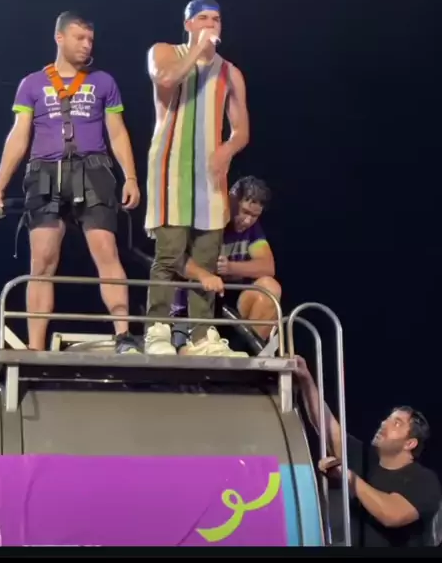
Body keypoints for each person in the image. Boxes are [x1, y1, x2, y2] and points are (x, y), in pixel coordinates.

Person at [0, 11, 141, 354]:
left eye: (90, 40)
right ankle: (35, 346)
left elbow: (117, 132)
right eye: (79, 38)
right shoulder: (31, 84)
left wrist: (130, 176)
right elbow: (18, 136)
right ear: (59, 38)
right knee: (42, 260)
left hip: (94, 170)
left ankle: (123, 336)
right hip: (44, 173)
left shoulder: (103, 82)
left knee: (106, 250)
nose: (86, 45)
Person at [144, 0, 250, 356]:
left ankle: (201, 334)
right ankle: (157, 329)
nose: (210, 24)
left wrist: (228, 149)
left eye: (216, 19)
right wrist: (198, 50)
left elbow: (242, 130)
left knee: (206, 255)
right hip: (170, 168)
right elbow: (167, 78)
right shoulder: (164, 52)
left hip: (210, 174)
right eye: (203, 18)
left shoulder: (230, 72)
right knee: (169, 253)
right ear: (188, 24)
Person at [295, 355, 442, 547]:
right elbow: (327, 426)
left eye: (396, 423)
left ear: (410, 443)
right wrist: (305, 378)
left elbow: (391, 515)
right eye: (387, 419)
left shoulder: (424, 480)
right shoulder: (364, 459)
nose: (384, 424)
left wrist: (348, 476)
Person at [171, 175, 282, 352]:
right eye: (245, 212)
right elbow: (175, 258)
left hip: (228, 304)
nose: (248, 221)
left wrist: (230, 268)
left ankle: (248, 354)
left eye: (254, 216)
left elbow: (268, 266)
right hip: (193, 302)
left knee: (270, 288)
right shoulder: (205, 220)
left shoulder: (252, 230)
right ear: (231, 199)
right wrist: (203, 274)